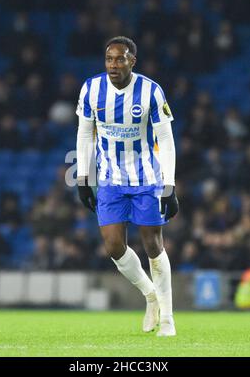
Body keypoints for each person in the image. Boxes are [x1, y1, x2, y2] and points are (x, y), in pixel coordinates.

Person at [76, 36, 179, 337]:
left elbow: (166, 140)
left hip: (147, 178)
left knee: (153, 246)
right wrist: (84, 178)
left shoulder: (150, 91)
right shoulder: (92, 89)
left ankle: (169, 318)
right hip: (110, 180)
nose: (113, 64)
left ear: (132, 61)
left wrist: (169, 185)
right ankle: (150, 296)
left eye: (120, 59)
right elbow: (85, 135)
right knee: (114, 246)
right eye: (109, 58)